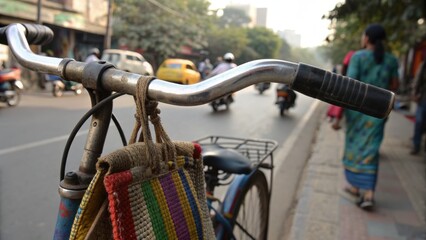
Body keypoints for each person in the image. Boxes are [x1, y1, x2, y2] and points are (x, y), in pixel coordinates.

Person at [333, 24, 399, 210]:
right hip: (379, 112)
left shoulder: (358, 57)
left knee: (354, 148)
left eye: (363, 35)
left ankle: (354, 187)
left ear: (368, 37)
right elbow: (395, 85)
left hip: (357, 112)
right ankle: (368, 193)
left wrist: (337, 116)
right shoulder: (391, 60)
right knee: (372, 149)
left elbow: (350, 86)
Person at [411, 60, 426, 154]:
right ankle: (416, 145)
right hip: (424, 98)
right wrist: (415, 93)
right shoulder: (424, 64)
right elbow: (418, 79)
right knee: (419, 122)